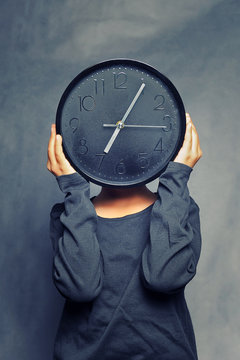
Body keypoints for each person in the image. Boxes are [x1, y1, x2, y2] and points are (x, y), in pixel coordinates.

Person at [47, 113, 202, 360]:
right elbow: (81, 288)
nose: (119, 145)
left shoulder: (179, 208)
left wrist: (177, 178)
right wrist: (74, 191)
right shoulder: (67, 215)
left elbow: (165, 278)